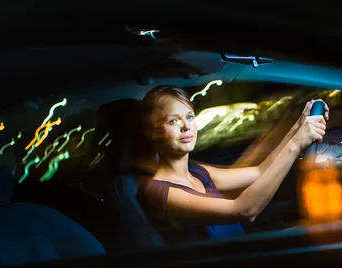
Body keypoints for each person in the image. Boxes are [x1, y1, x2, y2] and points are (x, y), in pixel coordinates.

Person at [137, 85, 328, 243]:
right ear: (152, 132)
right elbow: (245, 210)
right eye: (173, 121)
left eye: (189, 116)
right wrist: (296, 144)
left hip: (239, 252)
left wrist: (298, 127)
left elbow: (259, 171)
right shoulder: (158, 191)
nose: (186, 127)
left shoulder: (196, 171)